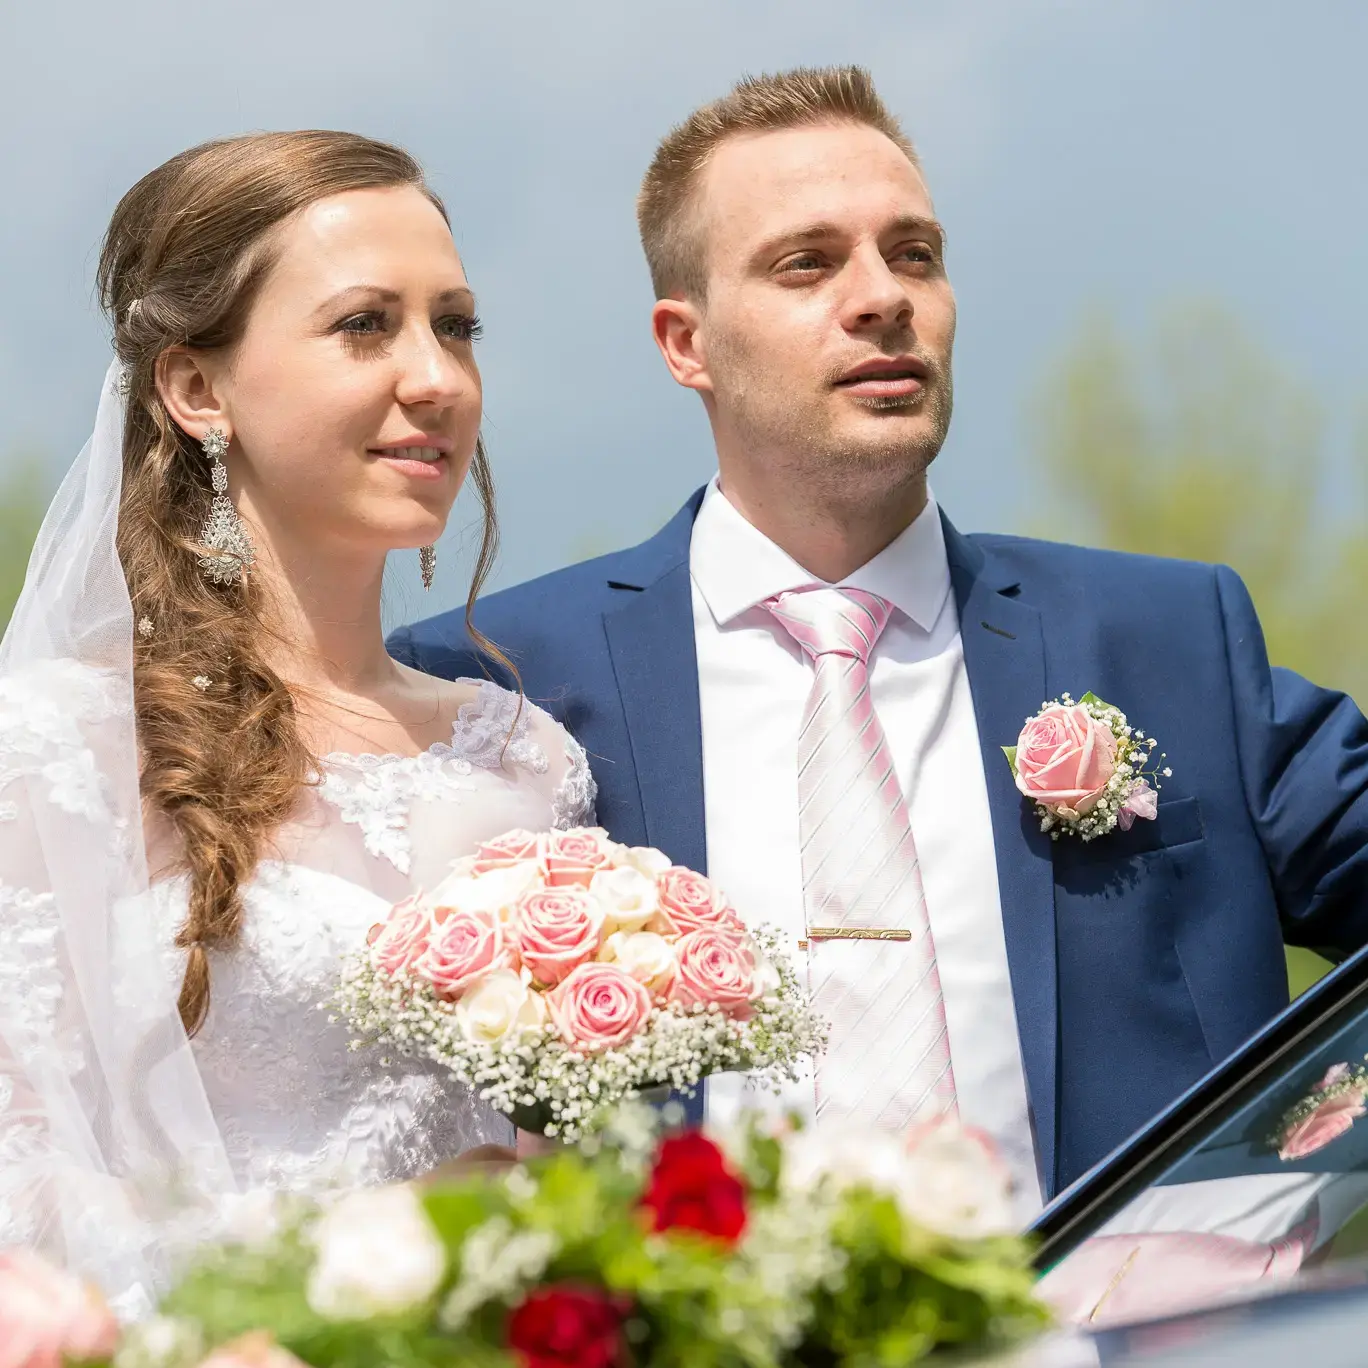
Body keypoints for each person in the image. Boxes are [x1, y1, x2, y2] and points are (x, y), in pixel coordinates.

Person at [393, 66, 1368, 1220]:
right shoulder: (492, 679)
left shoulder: (1170, 638)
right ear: (684, 342)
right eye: (808, 263)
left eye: (914, 254)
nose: (882, 297)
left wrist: (1324, 1155)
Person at [0, 131, 595, 1314]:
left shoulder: (526, 757)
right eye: (365, 325)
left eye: (457, 324)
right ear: (196, 388)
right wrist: (368, 1251)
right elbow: (24, 1181)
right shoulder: (61, 744)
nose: (434, 376)